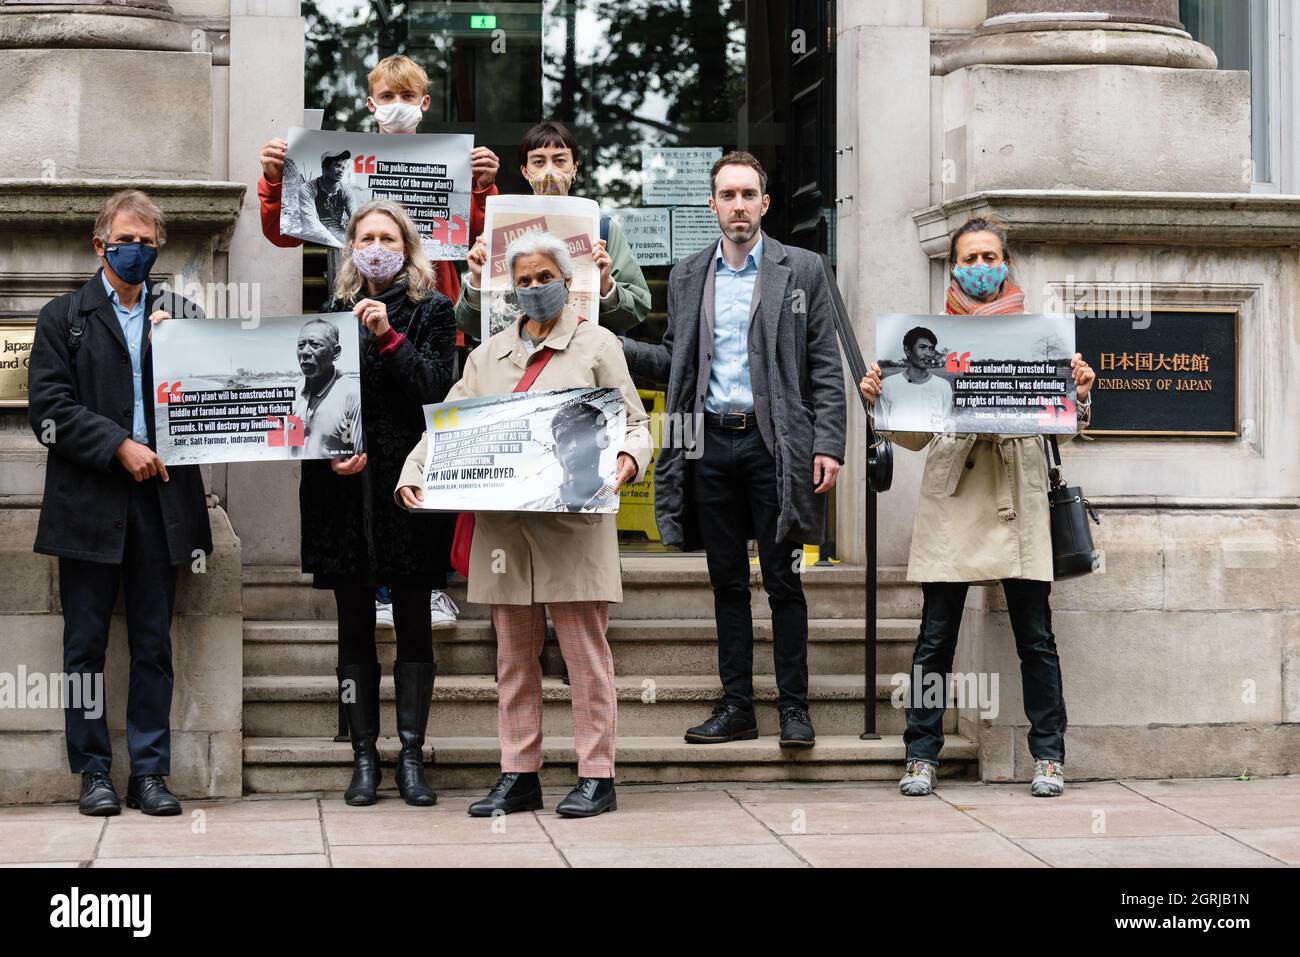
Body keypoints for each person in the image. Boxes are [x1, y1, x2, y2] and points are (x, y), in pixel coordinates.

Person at [396, 231, 651, 818]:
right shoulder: (486, 357)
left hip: (574, 527)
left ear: (567, 280)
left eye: (545, 278)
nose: (535, 288)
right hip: (504, 533)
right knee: (512, 658)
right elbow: (450, 427)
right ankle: (519, 773)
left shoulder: (597, 344)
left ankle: (597, 775)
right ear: (511, 289)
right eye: (525, 280)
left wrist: (627, 459)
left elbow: (635, 423)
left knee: (586, 656)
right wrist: (414, 470)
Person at [858, 217, 1096, 798]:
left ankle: (1049, 755)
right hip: (954, 496)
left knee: (1034, 635)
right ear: (954, 266)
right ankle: (920, 754)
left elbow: (1062, 426)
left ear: (1006, 265)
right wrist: (881, 402)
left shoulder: (1039, 335)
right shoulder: (925, 340)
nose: (981, 267)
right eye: (971, 257)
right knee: (935, 636)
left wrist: (1081, 394)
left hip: (1020, 492)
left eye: (991, 257)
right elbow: (914, 436)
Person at [621, 151, 847, 750]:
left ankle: (794, 709)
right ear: (712, 205)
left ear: (765, 204)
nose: (739, 205)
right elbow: (676, 362)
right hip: (709, 442)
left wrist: (829, 444)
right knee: (726, 581)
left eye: (749, 195)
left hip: (778, 446)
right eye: (728, 195)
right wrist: (610, 345)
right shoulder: (692, 272)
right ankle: (738, 706)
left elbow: (824, 363)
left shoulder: (802, 269)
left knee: (784, 579)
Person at [256, 54, 491, 627]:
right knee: (362, 446)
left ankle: (429, 580)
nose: (396, 105)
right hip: (355, 323)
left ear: (425, 104)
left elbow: (486, 236)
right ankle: (381, 584)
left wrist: (484, 189)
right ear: (370, 103)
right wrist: (272, 180)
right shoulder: (335, 164)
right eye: (386, 95)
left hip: (428, 321)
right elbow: (284, 231)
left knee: (427, 444)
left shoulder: (448, 166)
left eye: (407, 96)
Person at [27, 189, 212, 816]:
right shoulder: (62, 317)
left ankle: (151, 773)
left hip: (162, 506)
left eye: (147, 240)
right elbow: (49, 410)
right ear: (99, 243)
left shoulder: (181, 313)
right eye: (125, 239)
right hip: (88, 504)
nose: (136, 249)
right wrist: (118, 446)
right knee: (84, 646)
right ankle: (95, 772)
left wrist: (186, 343)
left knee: (153, 644)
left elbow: (216, 398)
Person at [303, 200, 458, 807]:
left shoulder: (432, 310)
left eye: (386, 237)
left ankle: (411, 755)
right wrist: (329, 453)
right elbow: (306, 402)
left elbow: (435, 390)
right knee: (353, 626)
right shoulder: (328, 314)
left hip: (408, 486)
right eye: (364, 237)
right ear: (350, 248)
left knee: (414, 620)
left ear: (406, 247)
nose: (375, 246)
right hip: (342, 493)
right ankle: (363, 755)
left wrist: (386, 336)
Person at [456, 120, 652, 340]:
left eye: (559, 161)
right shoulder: (499, 226)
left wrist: (606, 284)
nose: (550, 170)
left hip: (582, 357)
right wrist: (476, 279)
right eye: (539, 162)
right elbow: (468, 323)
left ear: (574, 168)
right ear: (525, 171)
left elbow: (638, 308)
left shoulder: (602, 228)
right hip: (518, 357)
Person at [293, 317, 361, 458]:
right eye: (301, 345)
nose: (305, 352)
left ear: (335, 352)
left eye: (315, 344)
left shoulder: (352, 395)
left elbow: (358, 456)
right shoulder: (295, 392)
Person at [877, 325, 954, 431]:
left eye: (931, 349)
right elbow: (882, 428)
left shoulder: (943, 386)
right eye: (922, 347)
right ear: (907, 350)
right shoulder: (887, 386)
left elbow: (944, 429)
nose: (928, 353)